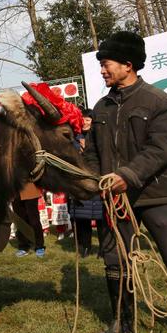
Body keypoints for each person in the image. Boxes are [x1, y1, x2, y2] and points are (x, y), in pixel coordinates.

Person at [84, 31, 167, 333]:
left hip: (156, 193)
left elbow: (160, 150)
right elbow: (92, 153)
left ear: (128, 65)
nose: (103, 70)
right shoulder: (102, 107)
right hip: (115, 199)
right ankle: (122, 326)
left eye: (106, 64)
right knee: (114, 262)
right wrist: (92, 178)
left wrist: (127, 175)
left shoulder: (159, 101)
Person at [69, 110, 104, 258]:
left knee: (102, 219)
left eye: (88, 120)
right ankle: (85, 247)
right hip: (80, 185)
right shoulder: (73, 140)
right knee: (82, 219)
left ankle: (104, 249)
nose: (85, 122)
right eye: (82, 120)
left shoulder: (99, 138)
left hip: (98, 182)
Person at [13, 183, 45, 258]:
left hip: (30, 190)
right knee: (20, 221)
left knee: (34, 221)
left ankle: (39, 246)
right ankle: (23, 246)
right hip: (15, 192)